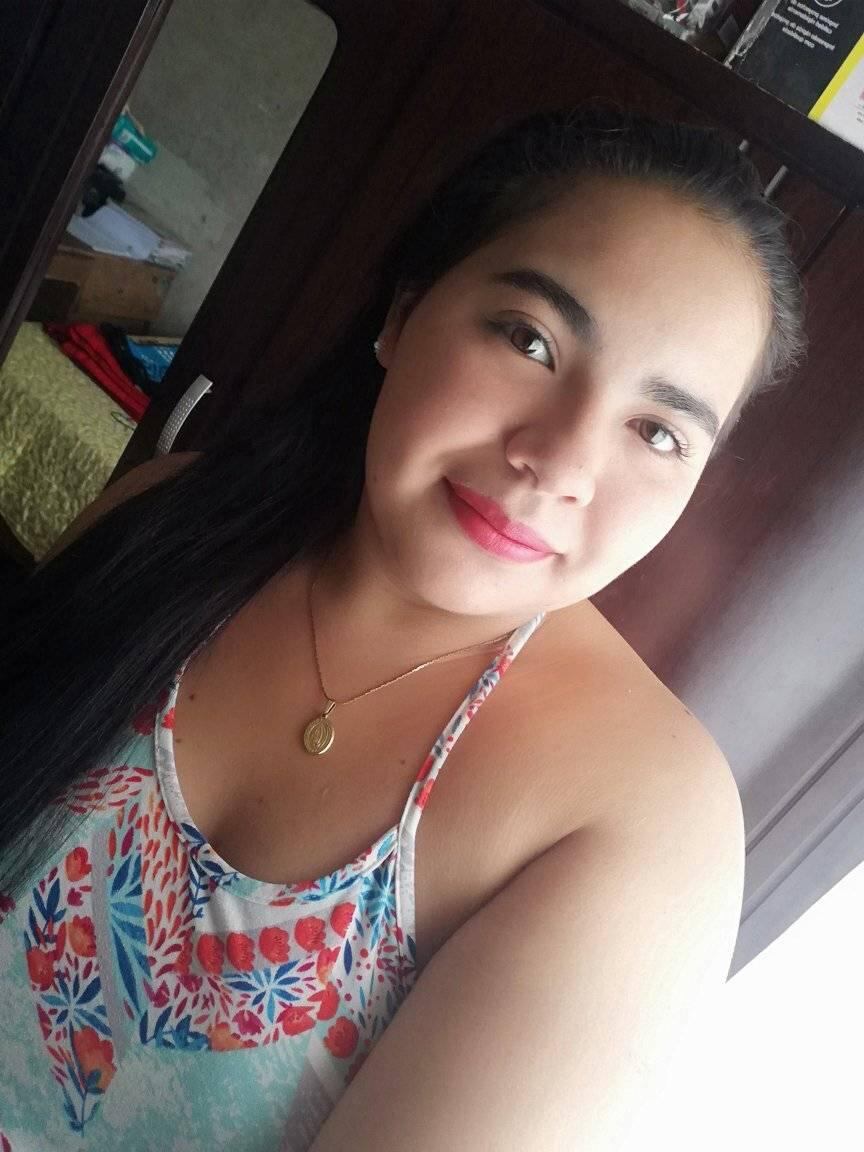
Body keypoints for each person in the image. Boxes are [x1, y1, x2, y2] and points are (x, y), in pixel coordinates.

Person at [0, 103, 805, 1151]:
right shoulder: (171, 517)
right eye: (531, 339)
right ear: (404, 312)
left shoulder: (642, 822)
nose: (560, 461)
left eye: (657, 430)